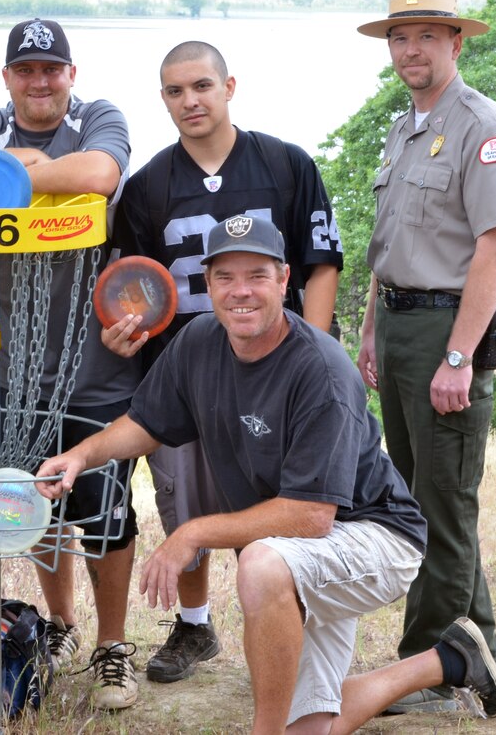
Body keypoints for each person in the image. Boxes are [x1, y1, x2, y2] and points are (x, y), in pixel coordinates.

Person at [37, 215, 496, 729]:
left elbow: (311, 516)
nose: (241, 292)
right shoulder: (199, 341)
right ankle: (452, 659)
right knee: (307, 727)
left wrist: (192, 533)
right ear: (207, 283)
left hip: (375, 536)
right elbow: (146, 423)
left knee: (260, 565)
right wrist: (82, 455)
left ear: (285, 280)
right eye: (225, 277)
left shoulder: (321, 370)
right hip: (300, 549)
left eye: (257, 275)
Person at [101, 40, 344, 684]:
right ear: (163, 100)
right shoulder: (150, 184)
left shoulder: (285, 164)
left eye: (202, 86)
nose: (191, 101)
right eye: (176, 92)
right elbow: (131, 287)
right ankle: (195, 622)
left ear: (230, 86)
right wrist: (124, 334)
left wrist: (311, 353)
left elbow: (321, 265)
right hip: (187, 376)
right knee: (185, 502)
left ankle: (297, 627)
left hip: (277, 368)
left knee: (285, 507)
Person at [0, 17, 142, 709]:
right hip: (6, 367)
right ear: (7, 76)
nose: (39, 81)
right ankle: (62, 626)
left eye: (51, 69)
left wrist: (1, 175)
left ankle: (112, 647)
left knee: (103, 512)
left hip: (96, 366)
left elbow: (100, 174)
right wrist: (38, 174)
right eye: (25, 70)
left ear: (70, 74)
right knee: (33, 503)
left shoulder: (97, 116)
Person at [355, 0, 496, 714]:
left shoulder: (481, 126)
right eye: (400, 36)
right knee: (423, 496)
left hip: (445, 329)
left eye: (427, 35)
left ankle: (430, 671)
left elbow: (492, 249)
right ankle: (477, 645)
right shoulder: (404, 127)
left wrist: (459, 356)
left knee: (440, 505)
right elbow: (388, 244)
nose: (410, 49)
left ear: (456, 42)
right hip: (397, 323)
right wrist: (368, 328)